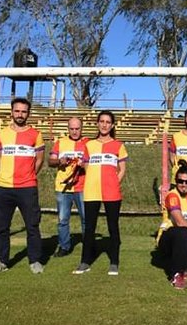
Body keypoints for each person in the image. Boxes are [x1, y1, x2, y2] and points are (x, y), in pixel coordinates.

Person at [0, 97, 45, 275]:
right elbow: (0, 156)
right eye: (17, 111)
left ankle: (34, 261)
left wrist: (27, 175)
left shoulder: (35, 134)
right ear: (11, 112)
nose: (20, 114)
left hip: (27, 187)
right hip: (4, 187)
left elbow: (39, 159)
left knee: (32, 225)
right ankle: (1, 261)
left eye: (24, 111)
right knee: (2, 226)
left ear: (28, 113)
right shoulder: (2, 134)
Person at [73, 111, 128, 276]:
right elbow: (87, 167)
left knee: (113, 227)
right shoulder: (89, 145)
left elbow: (122, 170)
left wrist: (113, 182)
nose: (104, 125)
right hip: (91, 191)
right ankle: (85, 262)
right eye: (101, 121)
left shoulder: (118, 145)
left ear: (112, 125)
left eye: (108, 122)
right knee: (89, 227)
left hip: (111, 192)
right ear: (97, 124)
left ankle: (114, 262)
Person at [157, 160, 187, 289]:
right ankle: (176, 274)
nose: (184, 185)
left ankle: (181, 264)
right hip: (169, 239)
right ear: (176, 181)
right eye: (180, 181)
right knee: (183, 231)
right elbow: (179, 222)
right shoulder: (172, 195)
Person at [48, 117, 88, 257]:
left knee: (86, 219)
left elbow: (94, 164)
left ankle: (88, 246)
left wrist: (85, 165)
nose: (75, 131)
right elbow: (50, 161)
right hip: (63, 188)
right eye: (72, 129)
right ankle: (64, 246)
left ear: (82, 128)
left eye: (77, 129)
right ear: (68, 129)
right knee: (63, 219)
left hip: (83, 187)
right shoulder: (60, 142)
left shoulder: (88, 143)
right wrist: (59, 161)